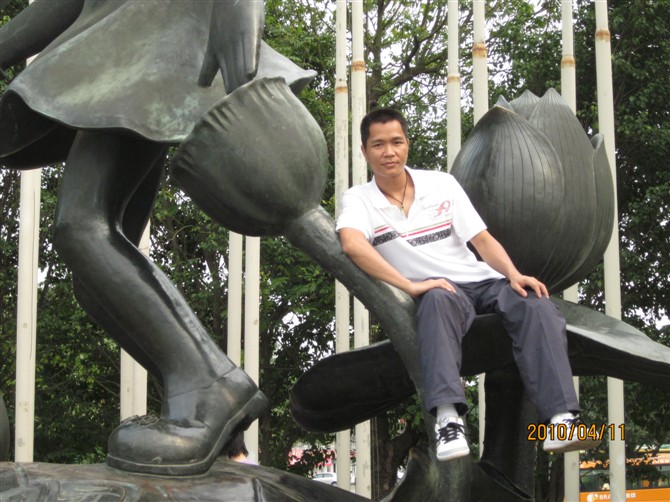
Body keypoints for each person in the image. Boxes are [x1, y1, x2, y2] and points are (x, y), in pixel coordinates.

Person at [1, 0, 313, 476]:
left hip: (151, 46)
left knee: (81, 227)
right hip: (124, 53)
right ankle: (206, 404)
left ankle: (211, 387)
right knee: (100, 275)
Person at [336, 108, 598, 461]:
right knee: (436, 301)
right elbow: (353, 245)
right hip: (439, 291)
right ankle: (448, 421)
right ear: (365, 151)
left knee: (535, 303)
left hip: (481, 282)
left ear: (407, 144)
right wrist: (409, 286)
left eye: (396, 142)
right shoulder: (359, 199)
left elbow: (481, 239)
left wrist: (513, 274)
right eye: (378, 145)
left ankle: (561, 419)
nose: (389, 152)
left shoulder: (441, 184)